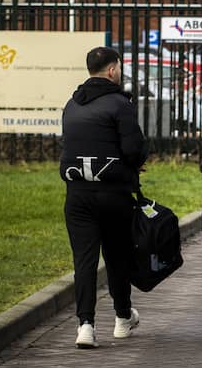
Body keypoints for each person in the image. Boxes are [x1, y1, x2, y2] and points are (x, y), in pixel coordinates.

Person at [60, 46, 147, 349]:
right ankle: (122, 318)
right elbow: (134, 149)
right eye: (119, 67)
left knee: (84, 261)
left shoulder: (72, 104)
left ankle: (85, 325)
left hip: (77, 194)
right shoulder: (120, 104)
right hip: (113, 193)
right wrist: (135, 164)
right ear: (112, 70)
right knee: (117, 256)